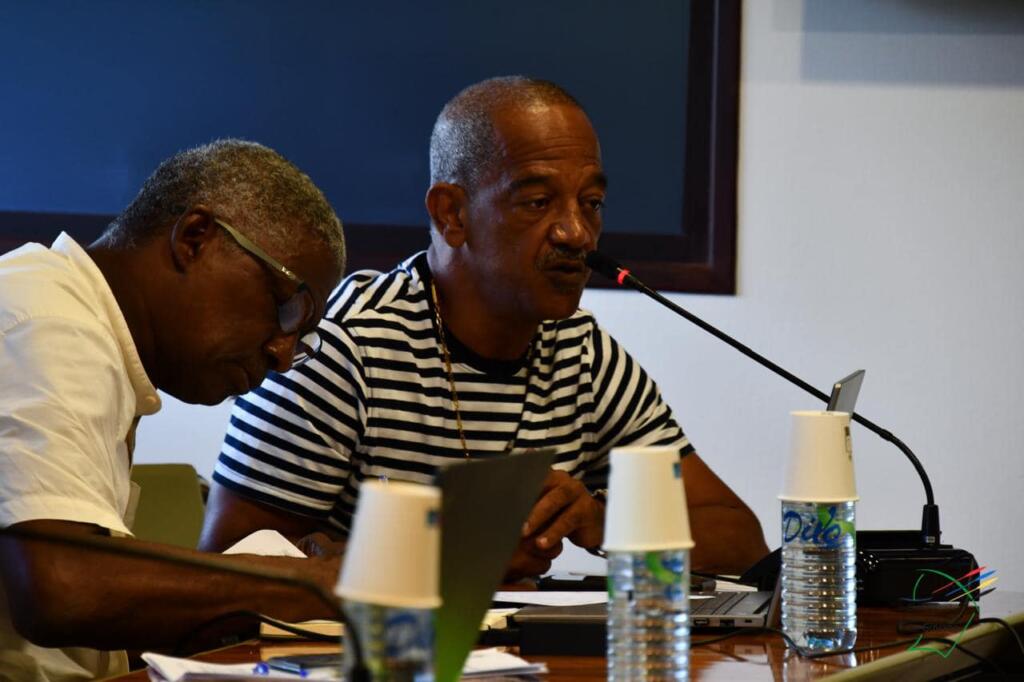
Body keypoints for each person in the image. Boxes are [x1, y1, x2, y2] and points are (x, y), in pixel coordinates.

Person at [200, 78, 769, 579]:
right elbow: (229, 567)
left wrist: (605, 521)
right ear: (451, 213)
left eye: (592, 203)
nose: (577, 233)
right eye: (538, 202)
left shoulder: (583, 355)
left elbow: (739, 540)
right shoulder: (343, 347)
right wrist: (455, 554)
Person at [0, 139, 347, 681]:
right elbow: (59, 588)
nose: (283, 355)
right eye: (286, 309)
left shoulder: (74, 320)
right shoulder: (48, 322)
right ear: (195, 238)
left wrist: (268, 580)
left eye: (302, 337)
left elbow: (86, 617)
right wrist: (303, 587)